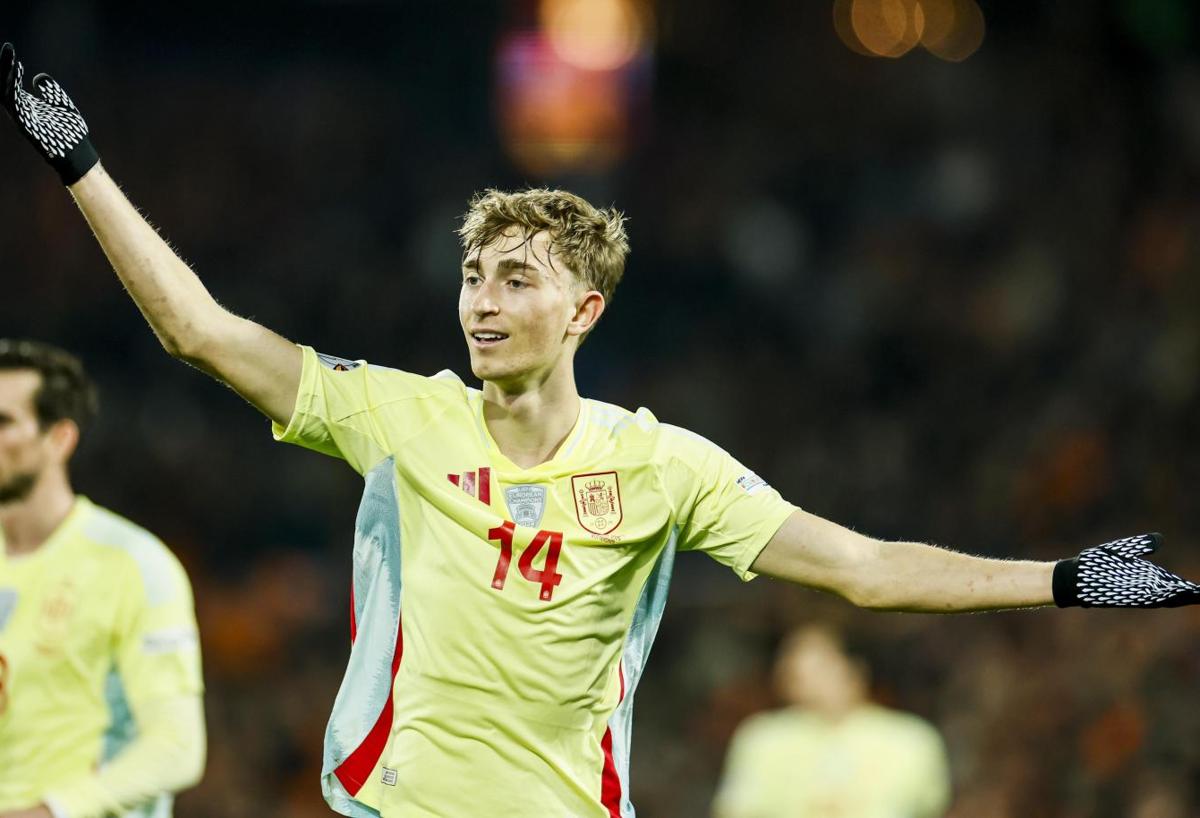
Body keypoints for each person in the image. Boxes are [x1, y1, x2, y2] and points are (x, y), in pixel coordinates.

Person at [3, 42, 1198, 818]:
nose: (481, 298)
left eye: (515, 277)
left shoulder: (660, 464)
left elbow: (865, 568)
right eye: (472, 274)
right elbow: (200, 331)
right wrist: (82, 164)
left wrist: (1062, 579)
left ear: (585, 308)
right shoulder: (402, 416)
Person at [0, 339, 206, 818]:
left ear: (59, 439)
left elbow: (177, 747)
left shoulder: (134, 564)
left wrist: (48, 812)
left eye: (3, 421)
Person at [713, 625, 951, 818]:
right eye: (796, 671)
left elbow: (927, 808)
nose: (810, 681)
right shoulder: (763, 737)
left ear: (855, 669)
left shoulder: (911, 739)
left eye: (820, 667)